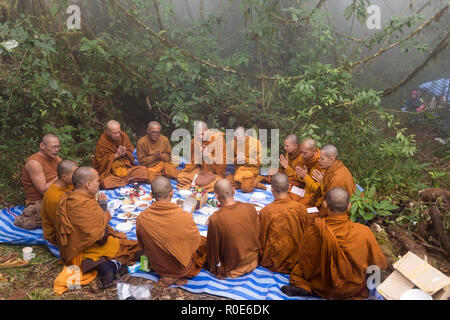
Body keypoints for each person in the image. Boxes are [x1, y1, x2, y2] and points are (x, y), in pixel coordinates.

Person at [282, 188, 388, 300]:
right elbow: (378, 263)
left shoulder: (314, 231)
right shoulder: (364, 232)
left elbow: (305, 263)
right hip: (349, 290)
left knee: (299, 265)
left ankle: (304, 286)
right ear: (349, 206)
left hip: (320, 286)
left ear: (325, 204)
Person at [54, 167, 141, 292]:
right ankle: (111, 264)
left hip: (72, 248)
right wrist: (103, 212)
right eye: (97, 181)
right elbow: (100, 238)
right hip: (84, 249)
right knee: (130, 247)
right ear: (88, 185)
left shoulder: (69, 198)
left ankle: (108, 265)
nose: (99, 184)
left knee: (125, 244)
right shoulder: (84, 204)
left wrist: (101, 212)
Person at [136, 176, 206, 287]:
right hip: (181, 268)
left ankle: (169, 273)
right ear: (172, 193)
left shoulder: (142, 218)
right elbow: (195, 243)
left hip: (157, 267)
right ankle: (176, 275)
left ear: (151, 195)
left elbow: (142, 245)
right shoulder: (184, 216)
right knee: (204, 243)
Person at [205, 179, 261, 278]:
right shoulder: (250, 207)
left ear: (216, 196)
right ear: (234, 190)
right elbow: (256, 231)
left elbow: (212, 249)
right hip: (253, 259)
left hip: (232, 266)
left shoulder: (216, 219)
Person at [258, 173, 310, 274]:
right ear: (289, 187)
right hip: (296, 260)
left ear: (272, 189)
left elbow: (262, 239)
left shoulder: (266, 211)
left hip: (273, 261)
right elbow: (306, 232)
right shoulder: (301, 208)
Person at [15, 134, 62, 230]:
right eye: (53, 147)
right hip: (39, 200)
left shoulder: (57, 159)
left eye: (58, 146)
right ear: (42, 146)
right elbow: (43, 190)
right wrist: (62, 176)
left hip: (57, 195)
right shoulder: (34, 163)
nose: (57, 150)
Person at [92, 120, 148, 189]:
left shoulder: (123, 135)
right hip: (111, 173)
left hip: (126, 169)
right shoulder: (102, 143)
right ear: (108, 132)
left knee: (143, 171)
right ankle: (129, 181)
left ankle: (124, 181)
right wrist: (115, 155)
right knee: (105, 182)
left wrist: (125, 152)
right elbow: (99, 163)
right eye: (114, 133)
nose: (117, 135)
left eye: (119, 131)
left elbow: (131, 150)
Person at [177, 121, 227, 192]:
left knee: (219, 182)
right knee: (181, 177)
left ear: (208, 131)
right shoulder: (195, 141)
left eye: (203, 134)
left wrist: (208, 156)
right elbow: (192, 162)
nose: (200, 137)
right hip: (201, 171)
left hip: (214, 174)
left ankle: (194, 186)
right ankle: (199, 185)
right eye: (198, 135)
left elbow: (222, 167)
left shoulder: (218, 140)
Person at [308, 145, 356, 217]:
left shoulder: (337, 178)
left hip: (342, 210)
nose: (319, 161)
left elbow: (332, 202)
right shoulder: (334, 167)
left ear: (331, 159)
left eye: (322, 159)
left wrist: (322, 183)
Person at [41, 160, 78, 245]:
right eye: (74, 175)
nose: (78, 177)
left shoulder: (70, 183)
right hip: (58, 234)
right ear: (64, 177)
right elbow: (59, 224)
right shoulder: (53, 197)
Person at [227, 126, 267, 193]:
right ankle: (254, 182)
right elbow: (230, 160)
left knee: (246, 188)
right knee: (225, 183)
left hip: (251, 172)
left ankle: (255, 183)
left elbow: (259, 162)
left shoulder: (256, 143)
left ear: (246, 135)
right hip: (238, 172)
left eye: (240, 139)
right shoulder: (233, 143)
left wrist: (245, 159)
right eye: (236, 138)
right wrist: (237, 159)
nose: (238, 141)